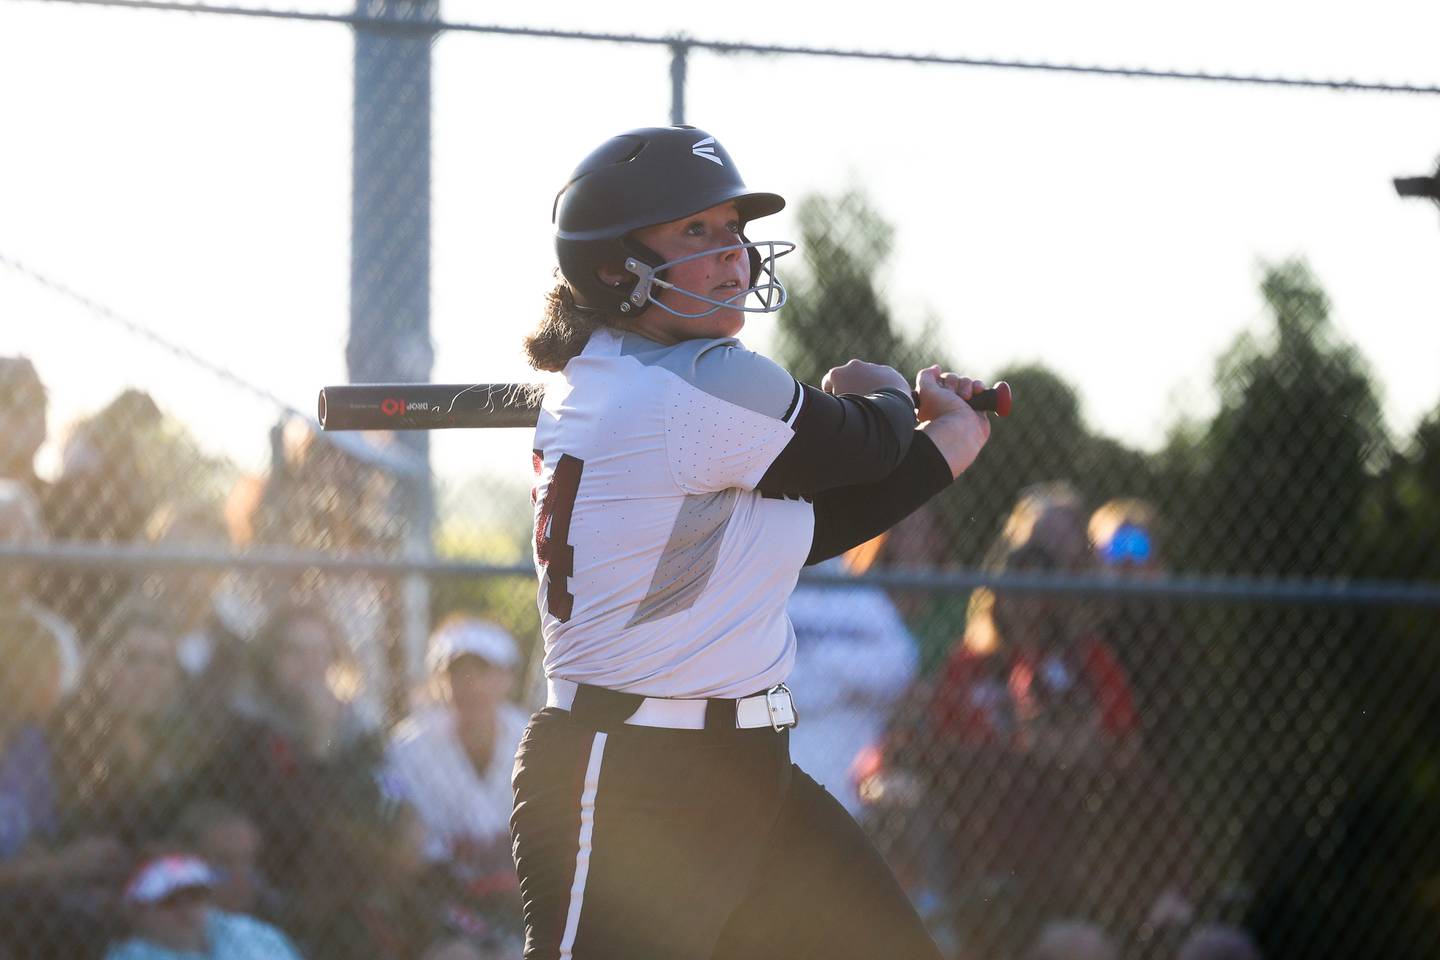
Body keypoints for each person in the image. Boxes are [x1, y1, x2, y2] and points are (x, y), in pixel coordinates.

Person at [510, 124, 992, 959]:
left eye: (733, 229)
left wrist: (949, 445)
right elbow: (866, 445)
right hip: (629, 776)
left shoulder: (625, 381)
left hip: (745, 769)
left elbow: (803, 527)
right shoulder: (704, 383)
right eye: (695, 231)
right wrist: (882, 394)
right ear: (615, 269)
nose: (733, 253)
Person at [385, 615, 527, 887]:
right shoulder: (409, 746)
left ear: (507, 678)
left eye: (483, 670)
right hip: (436, 891)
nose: (470, 684)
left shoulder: (533, 739)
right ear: (439, 680)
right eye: (456, 672)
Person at [103, 852, 302, 960]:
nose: (186, 910)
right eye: (169, 902)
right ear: (140, 912)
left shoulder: (252, 935)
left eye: (195, 896)